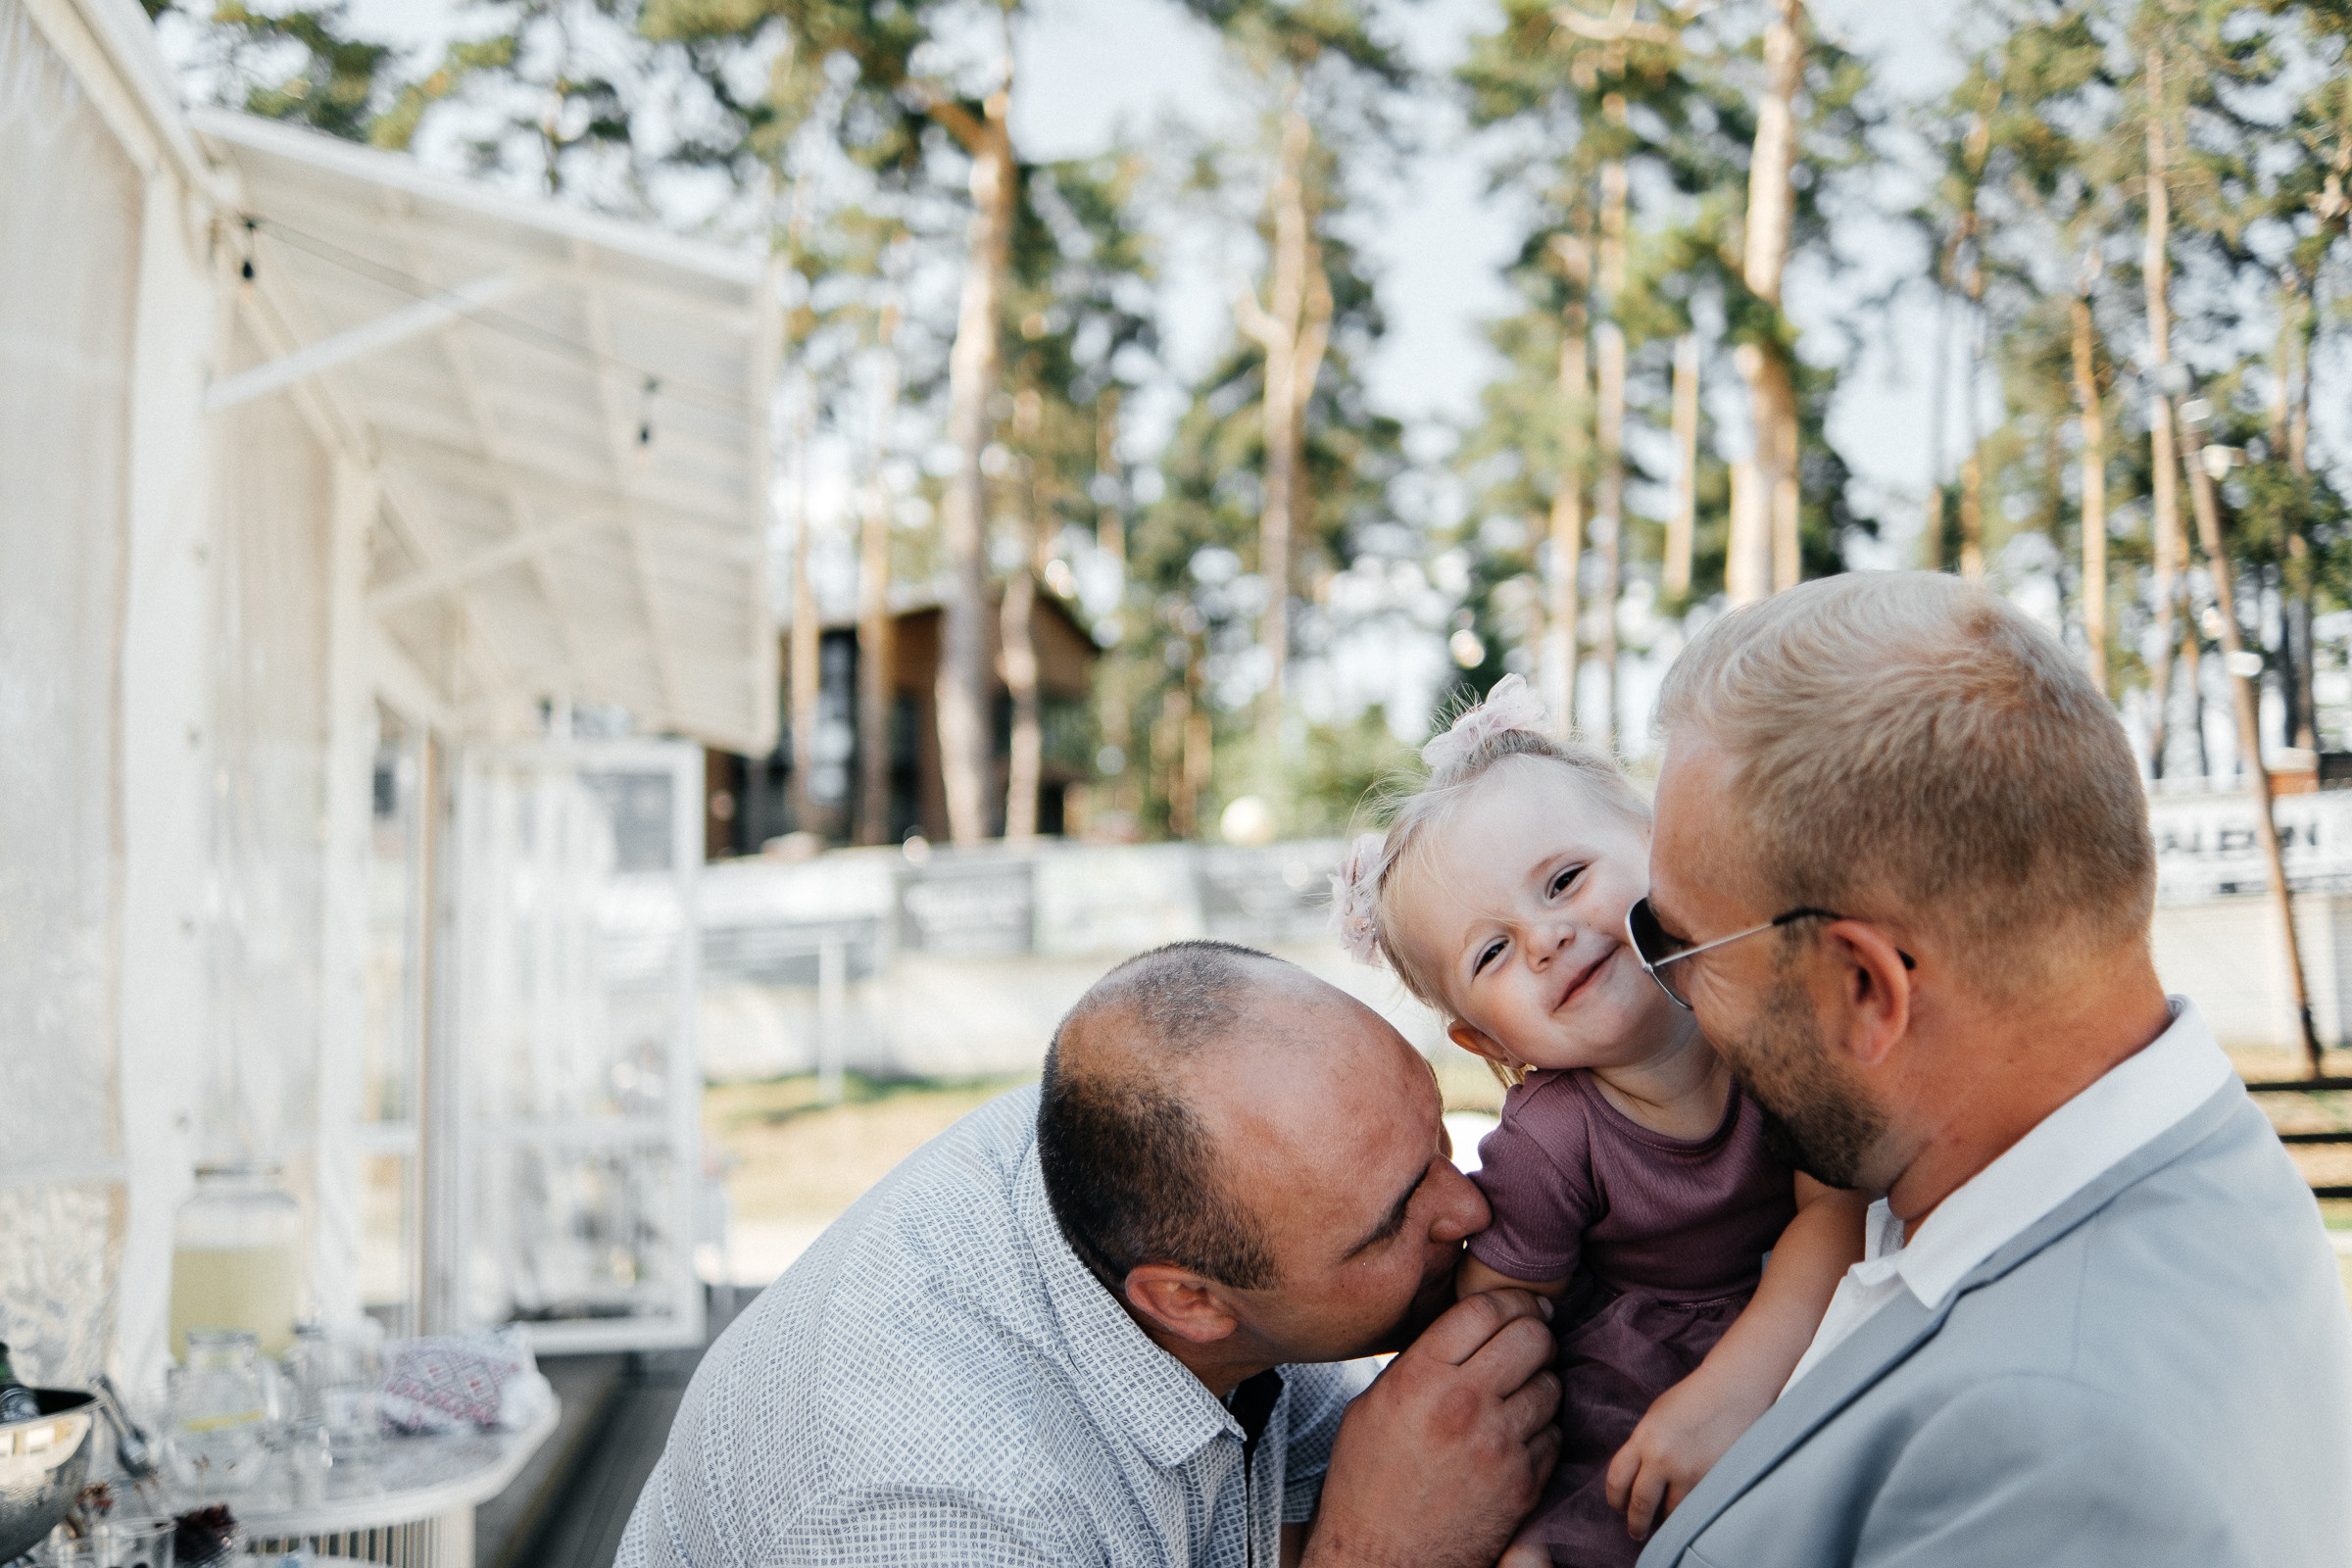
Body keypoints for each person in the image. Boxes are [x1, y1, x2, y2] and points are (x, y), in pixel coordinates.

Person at [1622, 570, 2352, 1566]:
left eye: (1683, 944)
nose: (1679, 995)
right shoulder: (2166, 1150)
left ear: (1864, 988)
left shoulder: (2067, 1457)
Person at [614, 939, 1562, 1568]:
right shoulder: (942, 1508)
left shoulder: (1142, 1153)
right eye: (1397, 1219)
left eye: (1438, 1140)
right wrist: (1376, 1553)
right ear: (1188, 1300)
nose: (1469, 1203)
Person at [1329, 675, 1865, 1566]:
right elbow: (1502, 1312)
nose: (1545, 939)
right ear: (1483, 1035)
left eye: (1566, 880)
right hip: (1633, 1374)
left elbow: (1834, 1212)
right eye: (1493, 951)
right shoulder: (1551, 1137)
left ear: (1664, 852)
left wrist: (1728, 1395)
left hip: (1810, 1314)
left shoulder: (1772, 1014)